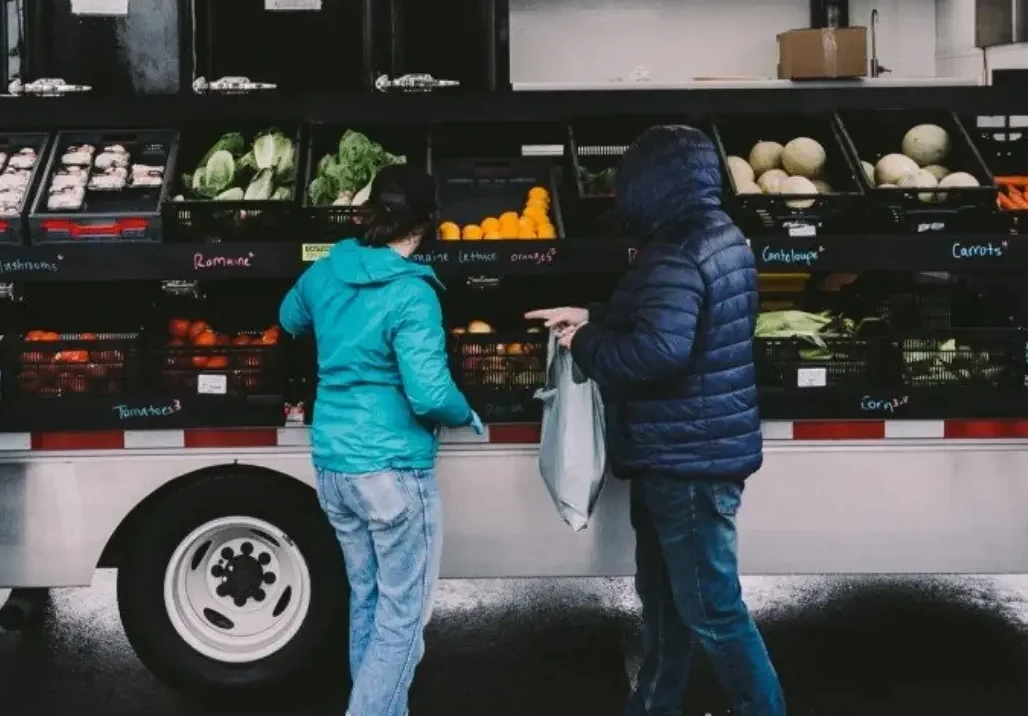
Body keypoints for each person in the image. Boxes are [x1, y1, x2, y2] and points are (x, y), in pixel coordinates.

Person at [527, 124, 783, 716]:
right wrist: (590, 313)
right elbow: (664, 317)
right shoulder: (718, 236)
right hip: (690, 449)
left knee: (712, 611)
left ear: (653, 182)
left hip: (686, 460)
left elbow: (658, 351)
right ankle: (655, 703)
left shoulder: (677, 249)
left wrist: (586, 342)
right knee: (667, 601)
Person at [278, 165, 481, 716]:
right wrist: (469, 415)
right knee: (404, 617)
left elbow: (288, 318)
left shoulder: (326, 271)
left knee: (367, 602)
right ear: (428, 222)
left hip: (334, 465)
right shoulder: (413, 295)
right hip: (391, 469)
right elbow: (430, 393)